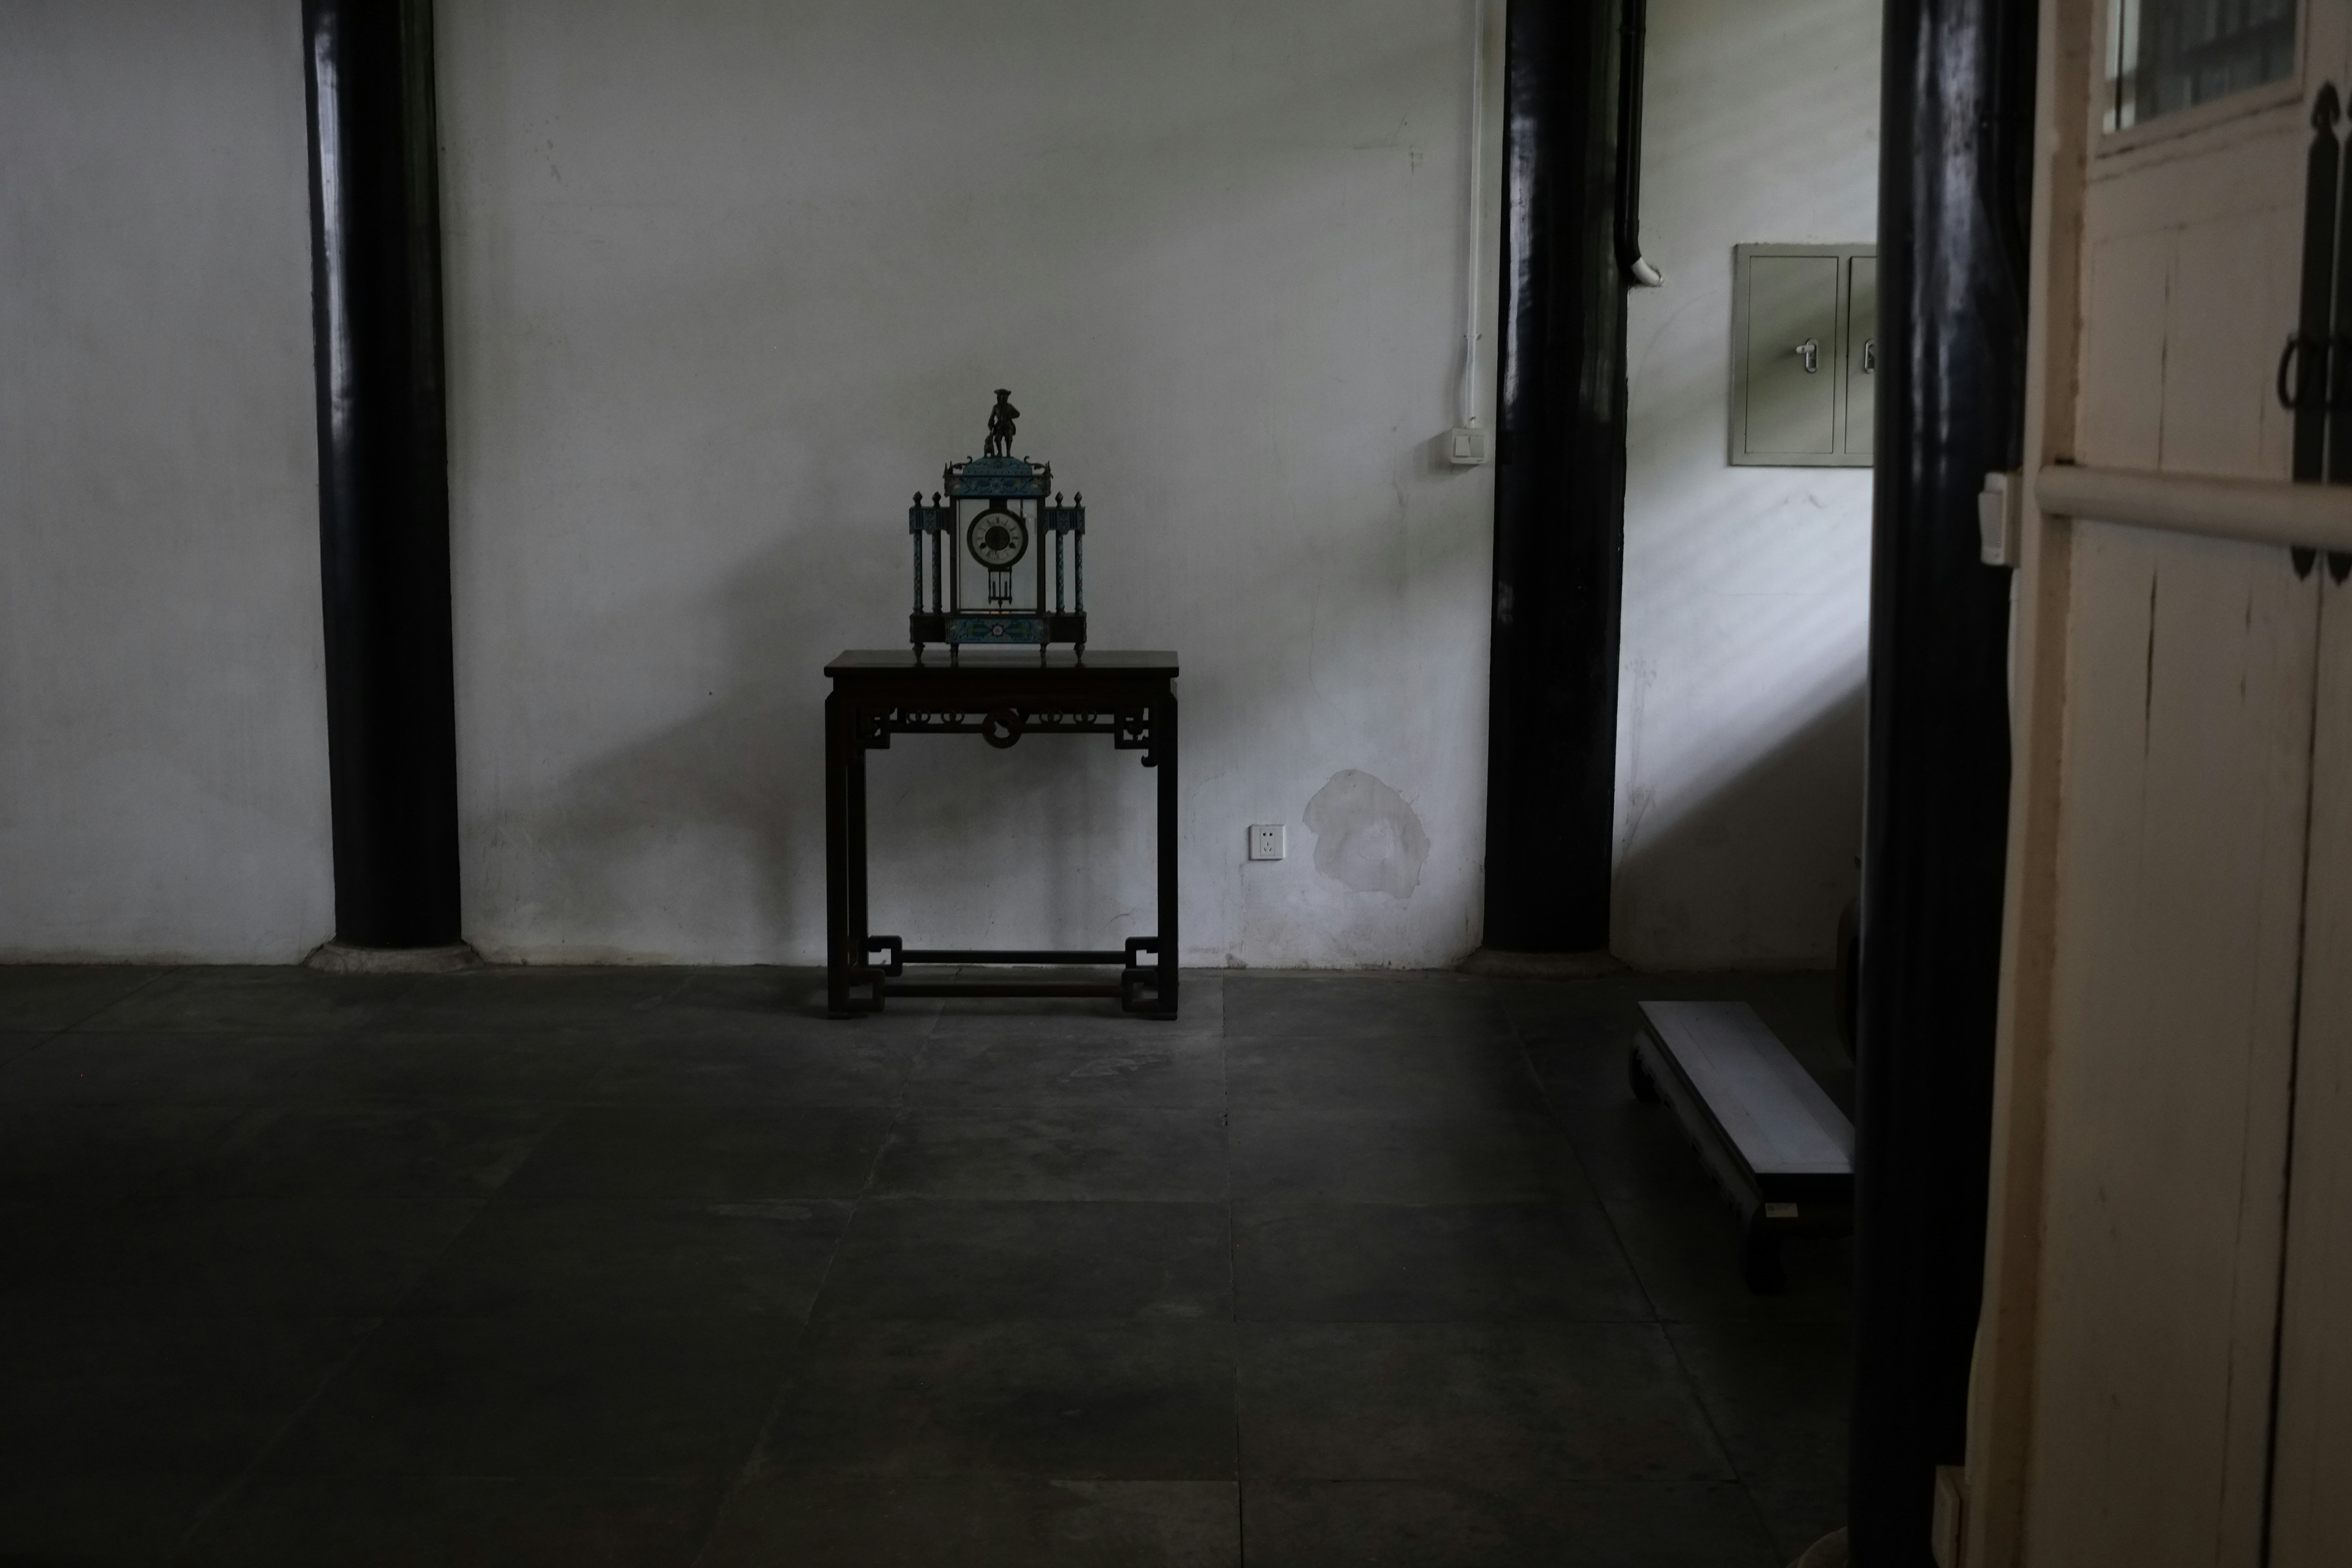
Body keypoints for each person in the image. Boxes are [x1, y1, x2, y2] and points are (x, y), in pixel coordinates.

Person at [984, 389, 1019, 457]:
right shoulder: (996, 407)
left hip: (1008, 425)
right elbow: (992, 417)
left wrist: (1010, 416)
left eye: (1006, 397)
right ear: (999, 398)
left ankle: (1008, 452)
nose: (1005, 399)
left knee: (1009, 438)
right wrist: (991, 425)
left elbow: (1017, 414)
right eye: (1003, 397)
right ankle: (1000, 452)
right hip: (1000, 425)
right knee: (997, 439)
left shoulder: (1010, 406)